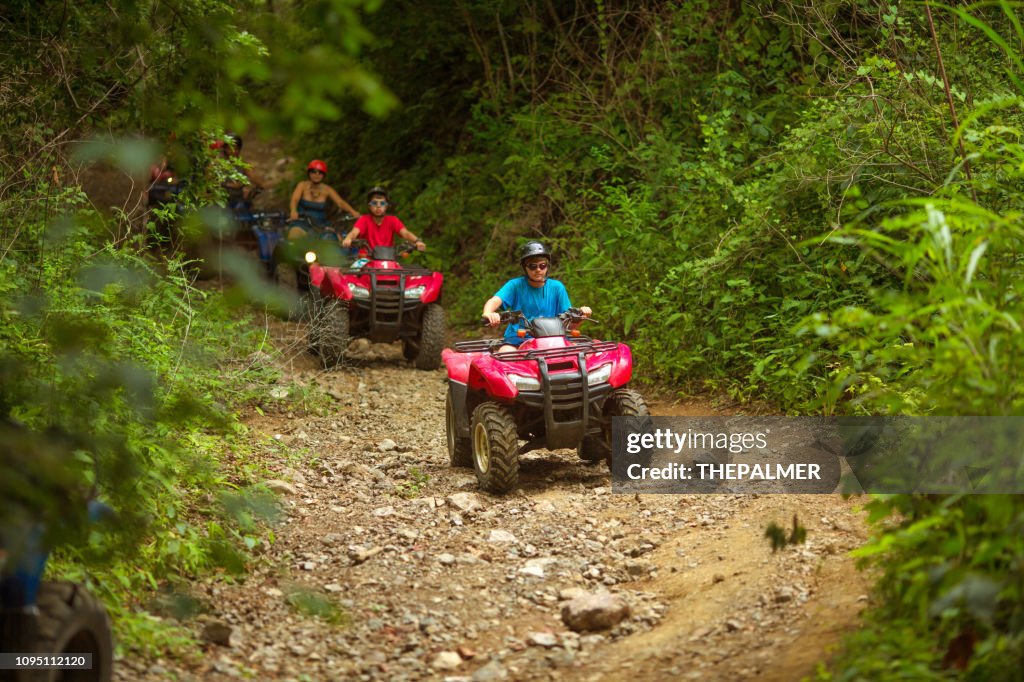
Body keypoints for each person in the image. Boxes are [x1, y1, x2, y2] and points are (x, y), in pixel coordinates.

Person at [482, 241, 591, 352]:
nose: (538, 269)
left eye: (542, 265)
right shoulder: (515, 285)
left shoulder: (557, 287)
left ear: (547, 266)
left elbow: (570, 325)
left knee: (579, 354)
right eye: (533, 266)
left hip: (553, 338)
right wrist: (488, 313)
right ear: (525, 267)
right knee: (505, 353)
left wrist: (581, 316)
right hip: (519, 337)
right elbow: (495, 300)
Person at [287, 160, 359, 239]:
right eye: (313, 172)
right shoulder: (302, 185)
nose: (316, 175)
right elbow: (295, 199)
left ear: (323, 175)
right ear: (309, 173)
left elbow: (340, 203)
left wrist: (353, 212)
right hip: (302, 222)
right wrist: (293, 210)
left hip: (321, 224)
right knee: (294, 233)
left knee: (336, 238)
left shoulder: (327, 189)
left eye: (320, 172)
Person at [340, 187, 427, 252]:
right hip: (365, 259)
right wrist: (348, 238)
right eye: (374, 203)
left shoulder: (393, 220)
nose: (378, 206)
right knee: (353, 273)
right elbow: (354, 232)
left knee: (400, 275)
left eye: (382, 203)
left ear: (387, 206)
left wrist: (417, 241)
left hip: (388, 259)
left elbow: (406, 233)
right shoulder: (364, 219)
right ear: (369, 206)